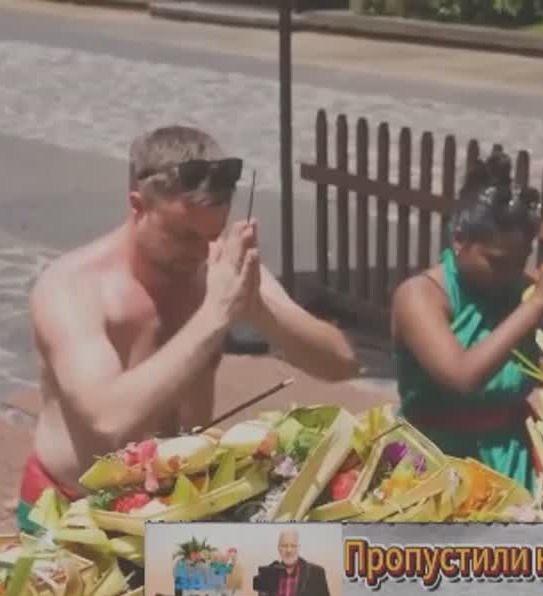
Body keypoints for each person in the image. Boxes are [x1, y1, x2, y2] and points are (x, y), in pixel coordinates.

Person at [20, 125, 361, 534]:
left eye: (212, 234)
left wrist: (261, 310)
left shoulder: (216, 266)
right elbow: (108, 421)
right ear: (137, 206)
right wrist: (215, 314)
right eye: (182, 235)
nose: (201, 251)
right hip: (74, 512)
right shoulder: (73, 288)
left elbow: (341, 363)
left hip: (181, 506)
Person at [391, 147, 543, 493]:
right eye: (496, 261)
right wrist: (539, 302)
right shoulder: (420, 296)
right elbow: (463, 377)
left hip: (512, 463)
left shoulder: (520, 290)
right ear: (459, 239)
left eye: (519, 261)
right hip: (434, 466)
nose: (509, 272)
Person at [255, 528, 335, 596]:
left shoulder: (316, 573)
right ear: (279, 548)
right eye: (284, 546)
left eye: (293, 546)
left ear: (298, 548)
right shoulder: (269, 573)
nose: (289, 550)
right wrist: (263, 589)